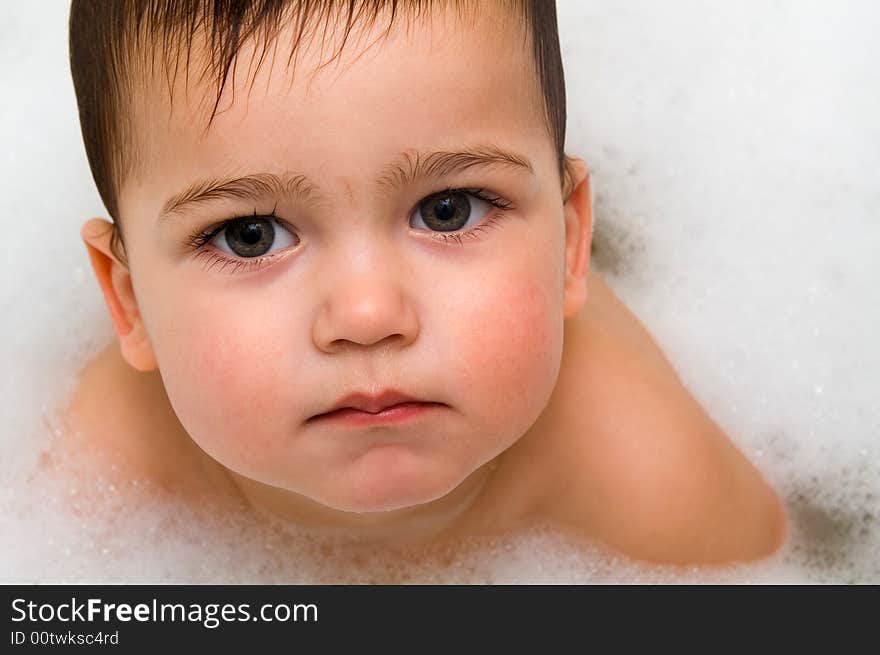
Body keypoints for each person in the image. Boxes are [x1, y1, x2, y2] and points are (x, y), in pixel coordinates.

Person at [61, 0, 787, 564]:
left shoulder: (648, 477)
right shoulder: (99, 478)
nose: (368, 313)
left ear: (570, 242)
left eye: (448, 211)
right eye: (250, 235)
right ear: (129, 303)